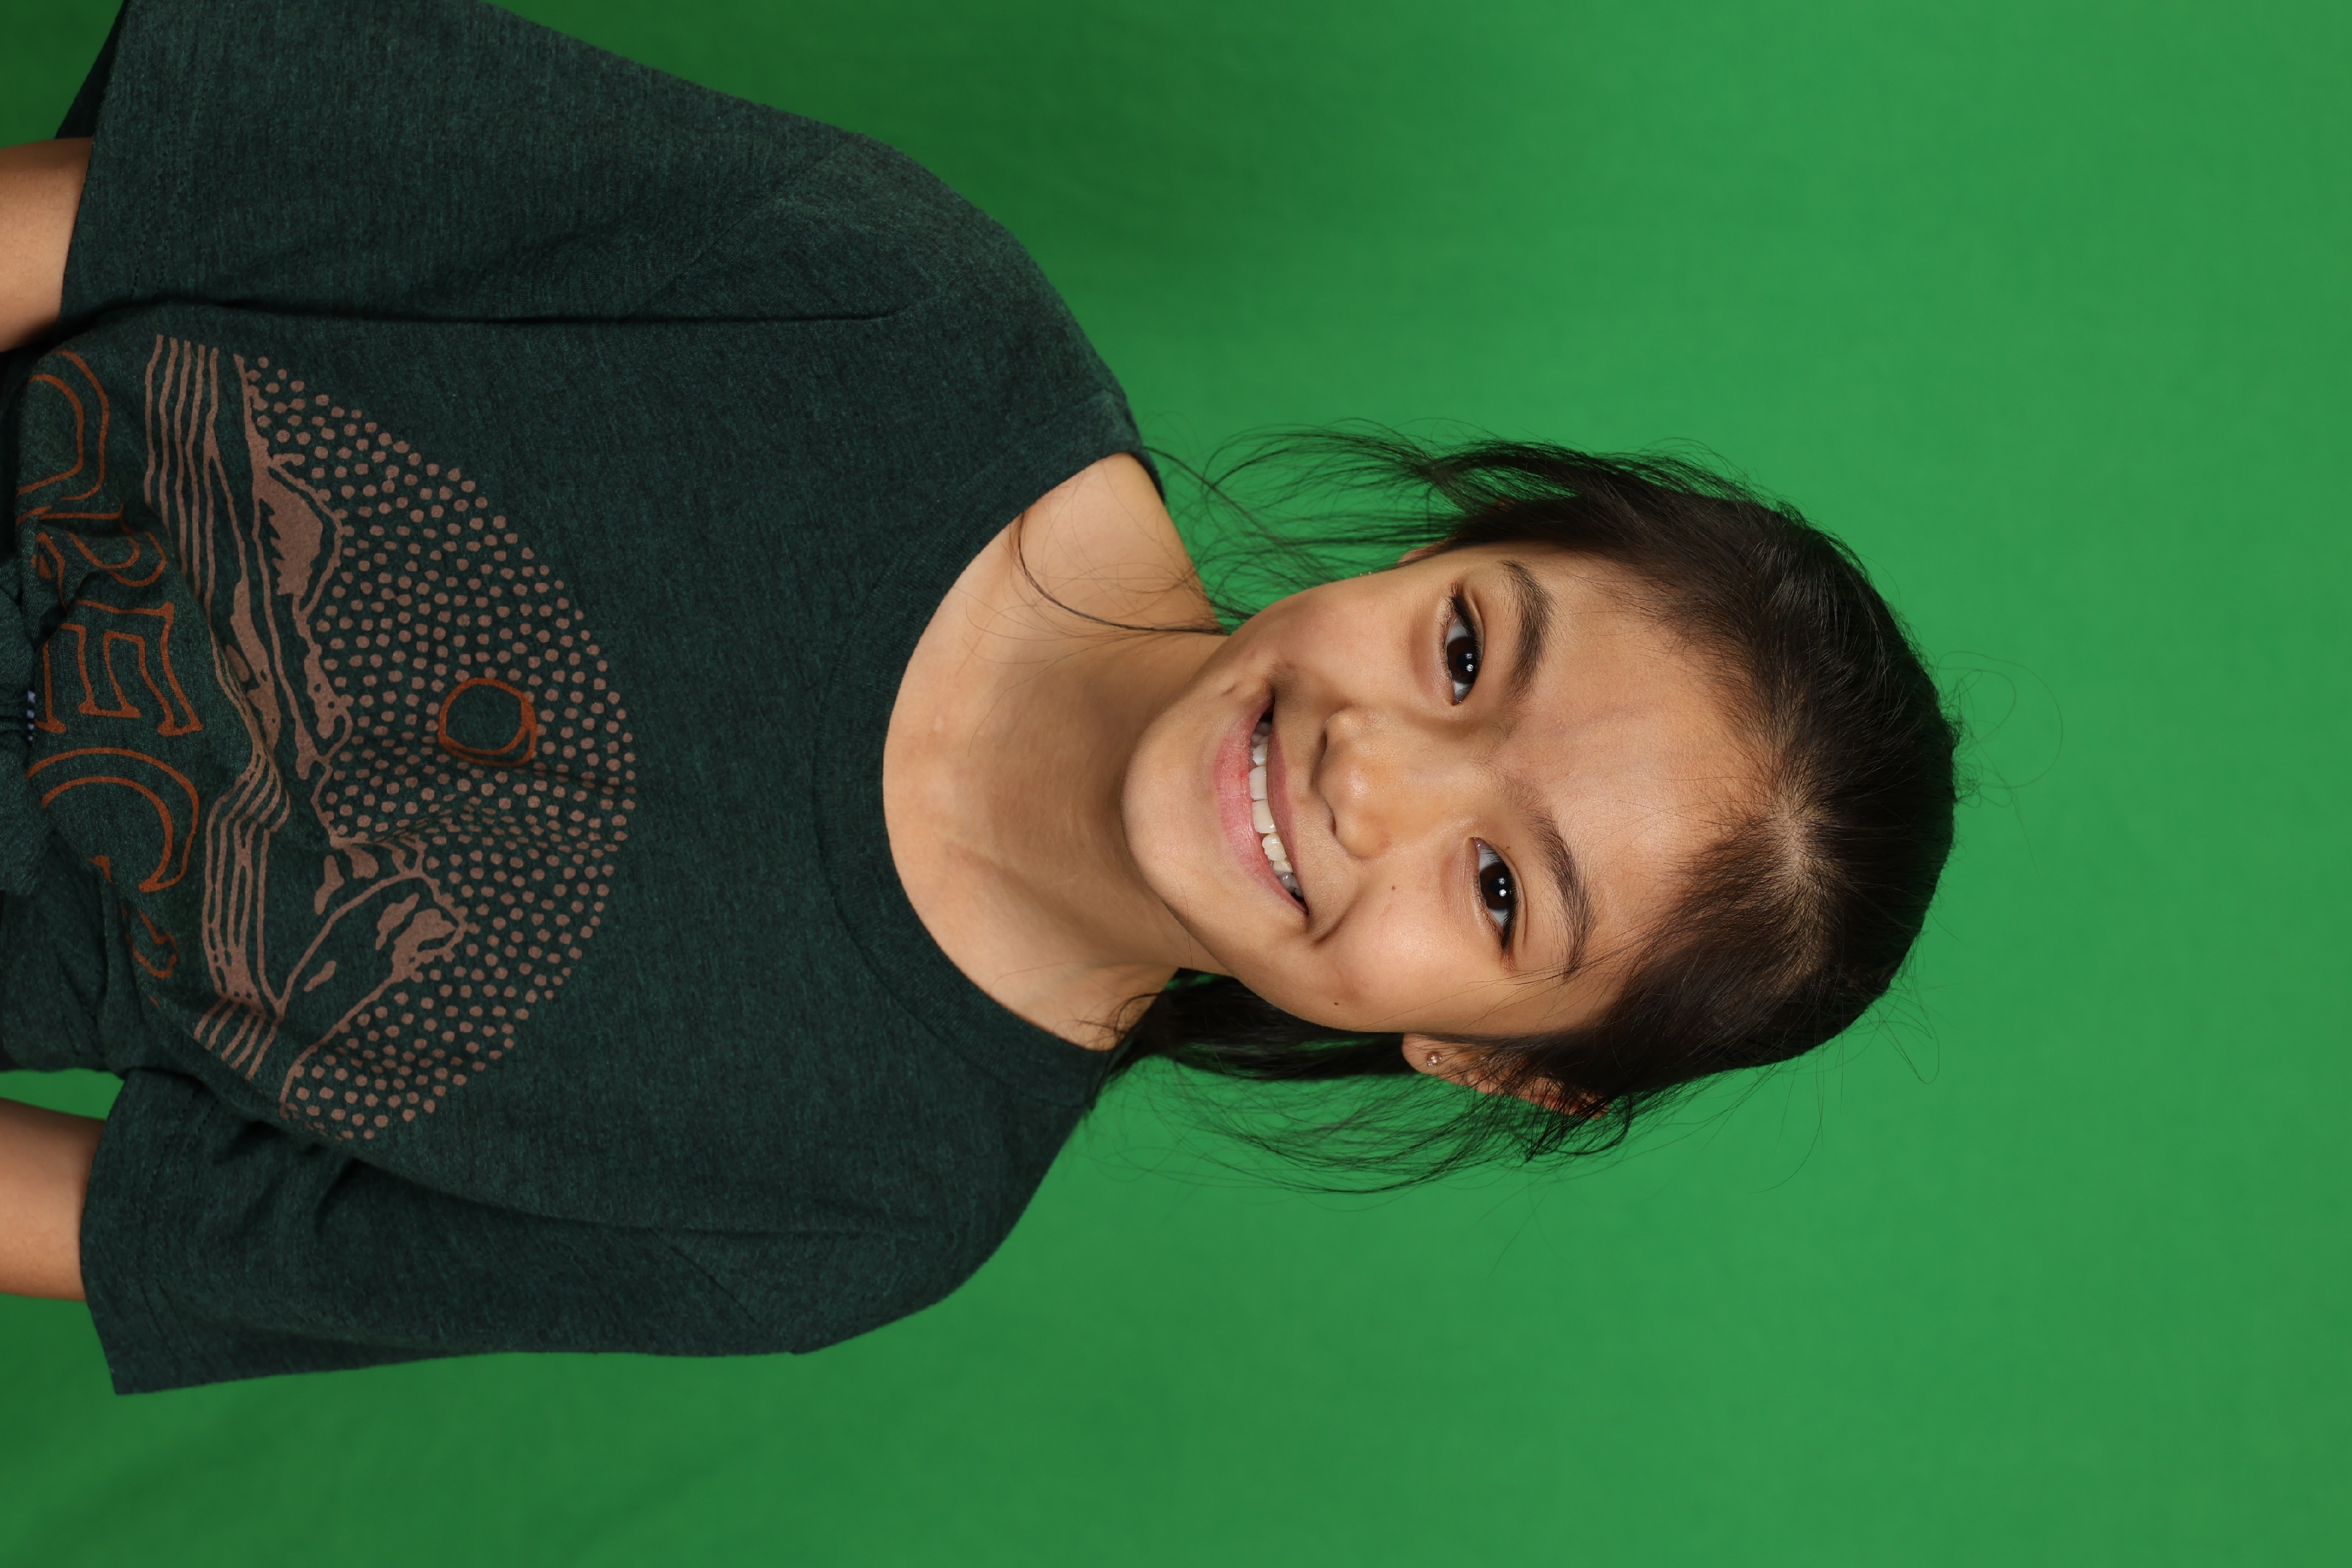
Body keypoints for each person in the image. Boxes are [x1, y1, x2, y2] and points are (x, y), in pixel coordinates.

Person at [0, 0, 1956, 1394]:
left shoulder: (856, 1219)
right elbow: (125, 209)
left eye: (1503, 891)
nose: (1372, 772)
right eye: (1463, 650)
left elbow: (128, 1228)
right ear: (1449, 543)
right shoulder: (897, 311)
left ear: (1492, 1062)